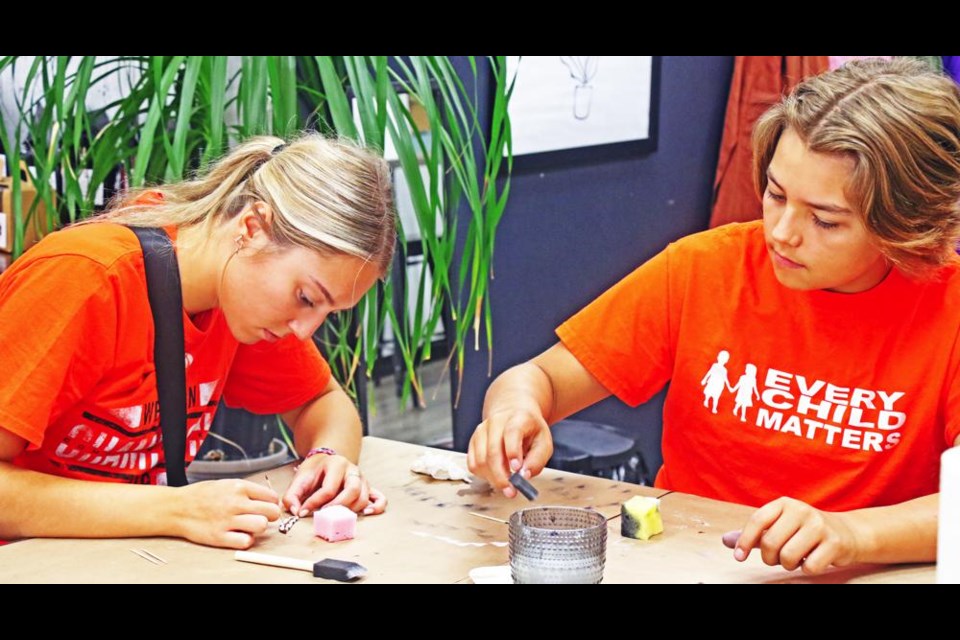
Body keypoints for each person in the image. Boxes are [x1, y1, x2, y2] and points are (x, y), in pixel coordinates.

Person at [467, 57, 960, 575]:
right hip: (690, 562)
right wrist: (514, 412)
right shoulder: (703, 269)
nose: (782, 232)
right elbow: (538, 376)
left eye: (825, 220)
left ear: (908, 223)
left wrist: (853, 534)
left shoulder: (947, 307)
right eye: (775, 194)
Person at [0, 132, 395, 549]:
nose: (304, 329)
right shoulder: (83, 278)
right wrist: (175, 510)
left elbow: (324, 403)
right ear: (252, 227)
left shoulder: (240, 292)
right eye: (306, 298)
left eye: (327, 312)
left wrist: (330, 459)